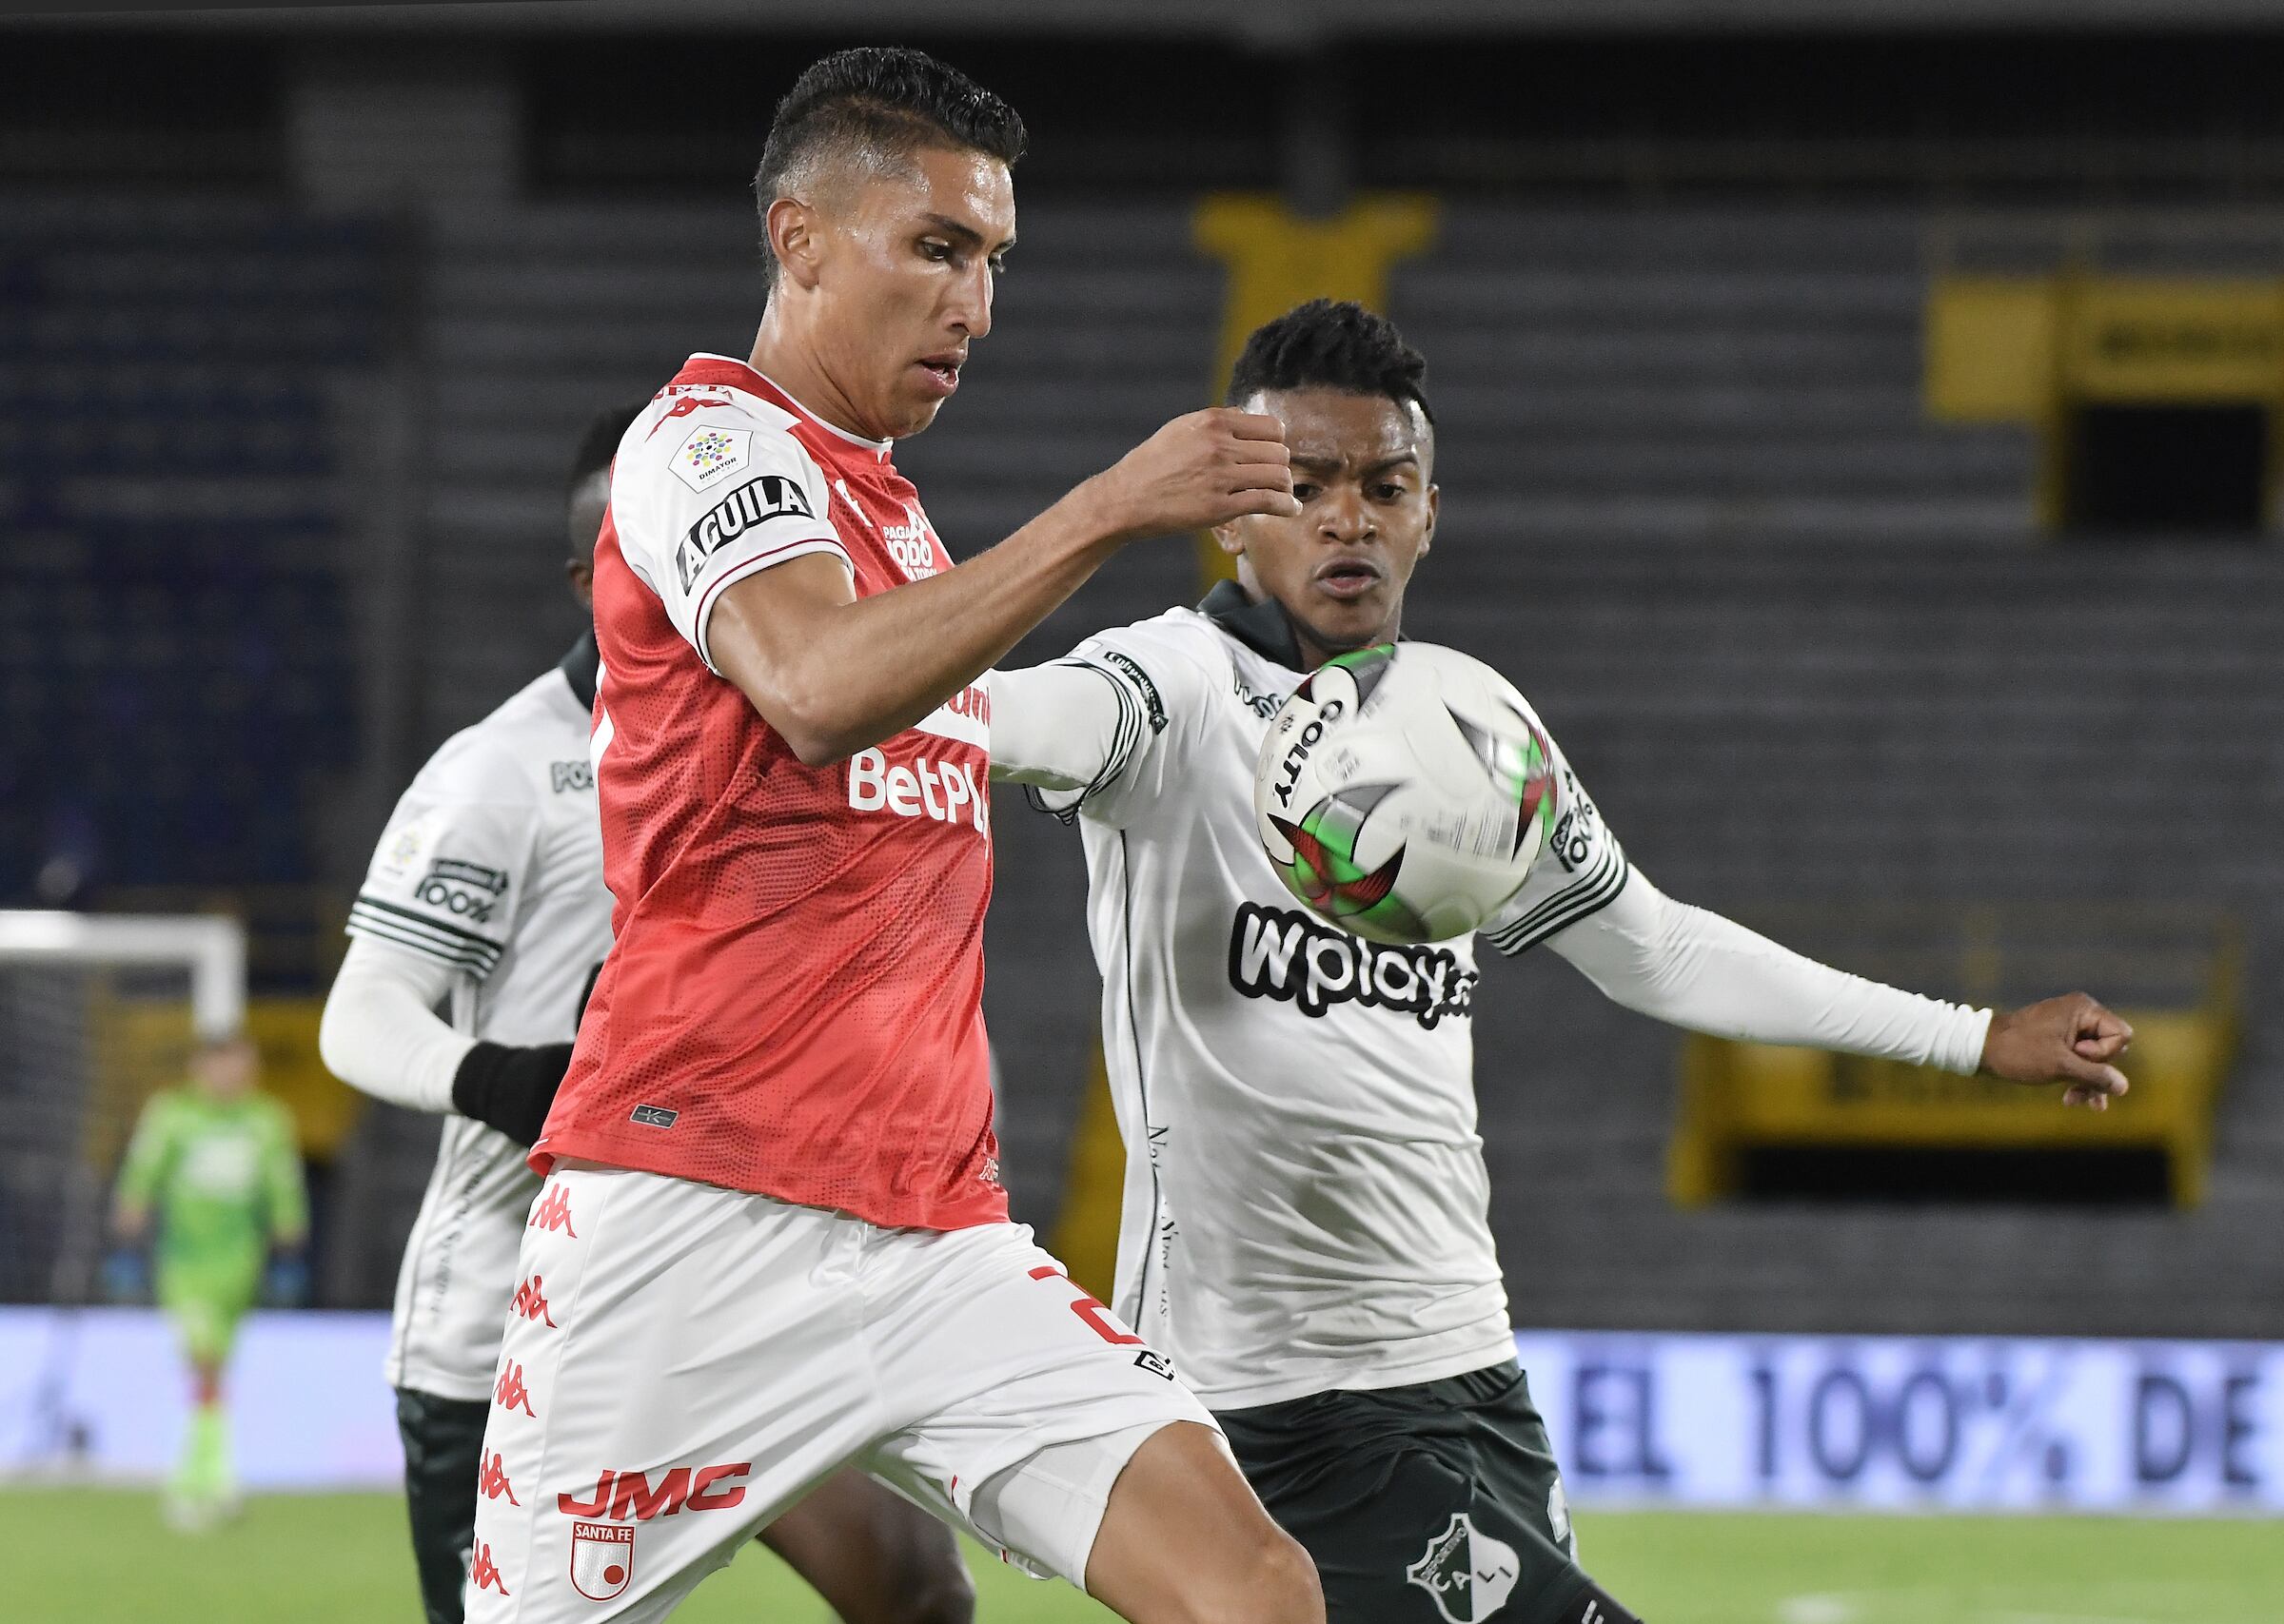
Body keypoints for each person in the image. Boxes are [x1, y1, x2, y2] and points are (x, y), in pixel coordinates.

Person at [986, 298, 2136, 1624]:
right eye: (1304, 486)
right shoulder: (1170, 690)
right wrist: (823, 667)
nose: (1348, 517)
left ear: (1430, 513)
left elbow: (1655, 947)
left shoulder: (1472, 736)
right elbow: (998, 715)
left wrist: (1972, 1034)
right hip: (1270, 1399)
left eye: (1386, 485)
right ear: (1233, 513)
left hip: (1472, 1369)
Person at [465, 46, 1317, 1624]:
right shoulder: (704, 444)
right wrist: (1103, 510)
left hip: (934, 1232)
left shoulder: (893, 512)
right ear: (800, 240)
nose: (976, 305)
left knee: (1252, 1593)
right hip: (688, 1217)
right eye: (936, 248)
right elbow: (809, 687)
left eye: (994, 260)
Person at [319, 403, 975, 1624]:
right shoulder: (502, 771)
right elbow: (360, 1015)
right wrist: (514, 1084)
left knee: (916, 1587)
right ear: (594, 572)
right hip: (514, 1328)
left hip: (720, 1296)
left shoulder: (785, 731)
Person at [109, 1032, 308, 1528]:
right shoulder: (173, 1115)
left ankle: (199, 1476)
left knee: (215, 1370)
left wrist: (289, 1252)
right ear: (200, 1067)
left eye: (241, 1065)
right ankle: (208, 1481)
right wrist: (126, 1242)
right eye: (222, 1065)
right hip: (185, 1263)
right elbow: (141, 1176)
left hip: (241, 1265)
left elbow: (284, 1189)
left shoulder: (266, 1121)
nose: (231, 1076)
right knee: (205, 1366)